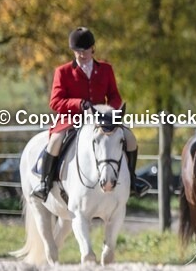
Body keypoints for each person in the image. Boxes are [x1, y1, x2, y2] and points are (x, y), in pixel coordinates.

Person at [33, 27, 148, 200]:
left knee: (130, 138)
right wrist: (79, 104)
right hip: (72, 118)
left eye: (85, 50)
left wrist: (112, 111)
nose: (82, 54)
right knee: (56, 140)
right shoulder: (63, 72)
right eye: (77, 51)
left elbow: (114, 96)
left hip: (102, 118)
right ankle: (45, 182)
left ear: (93, 48)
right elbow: (55, 102)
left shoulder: (106, 69)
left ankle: (132, 180)